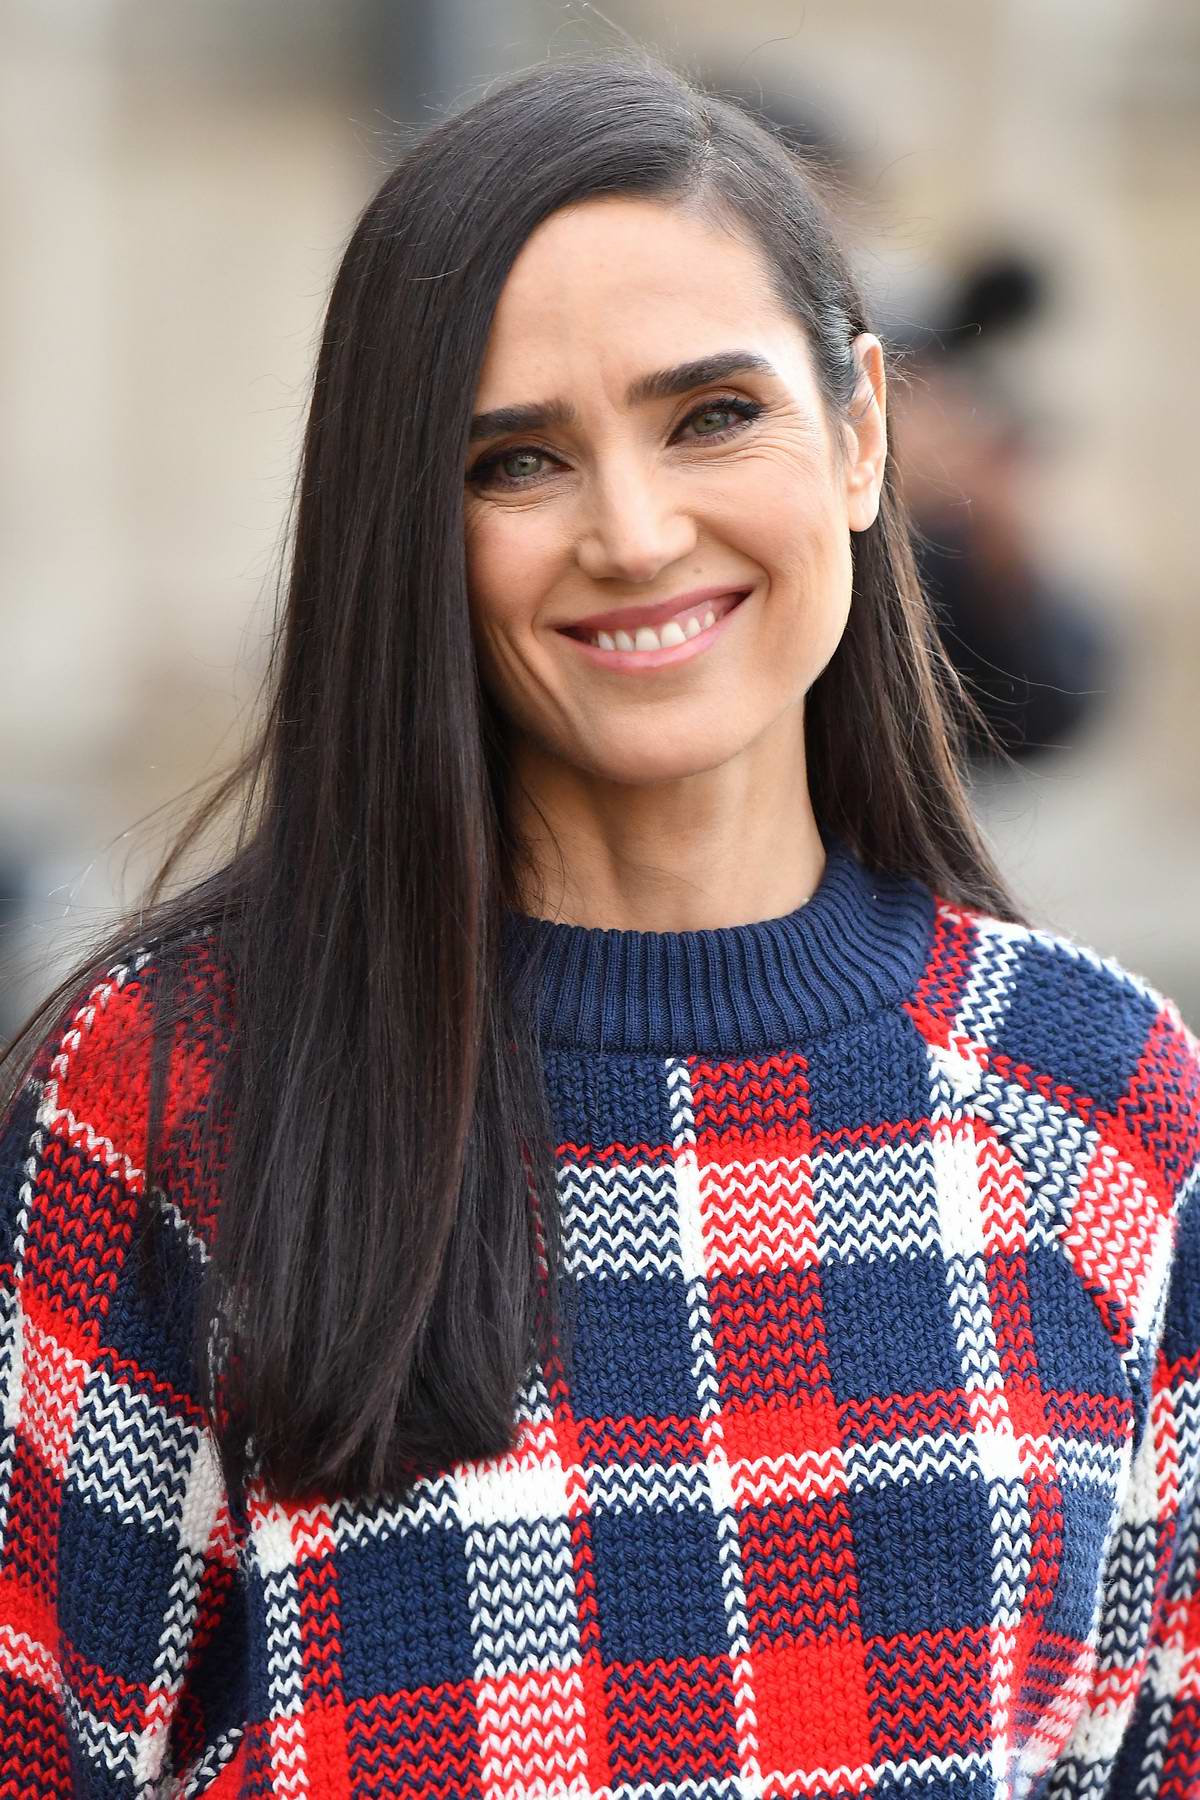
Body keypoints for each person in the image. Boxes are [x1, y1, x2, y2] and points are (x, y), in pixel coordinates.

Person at [0, 49, 1197, 1800]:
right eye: (515, 461)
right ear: (403, 522)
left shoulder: (1102, 1094)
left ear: (862, 431)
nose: (634, 534)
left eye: (714, 415)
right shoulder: (180, 1093)